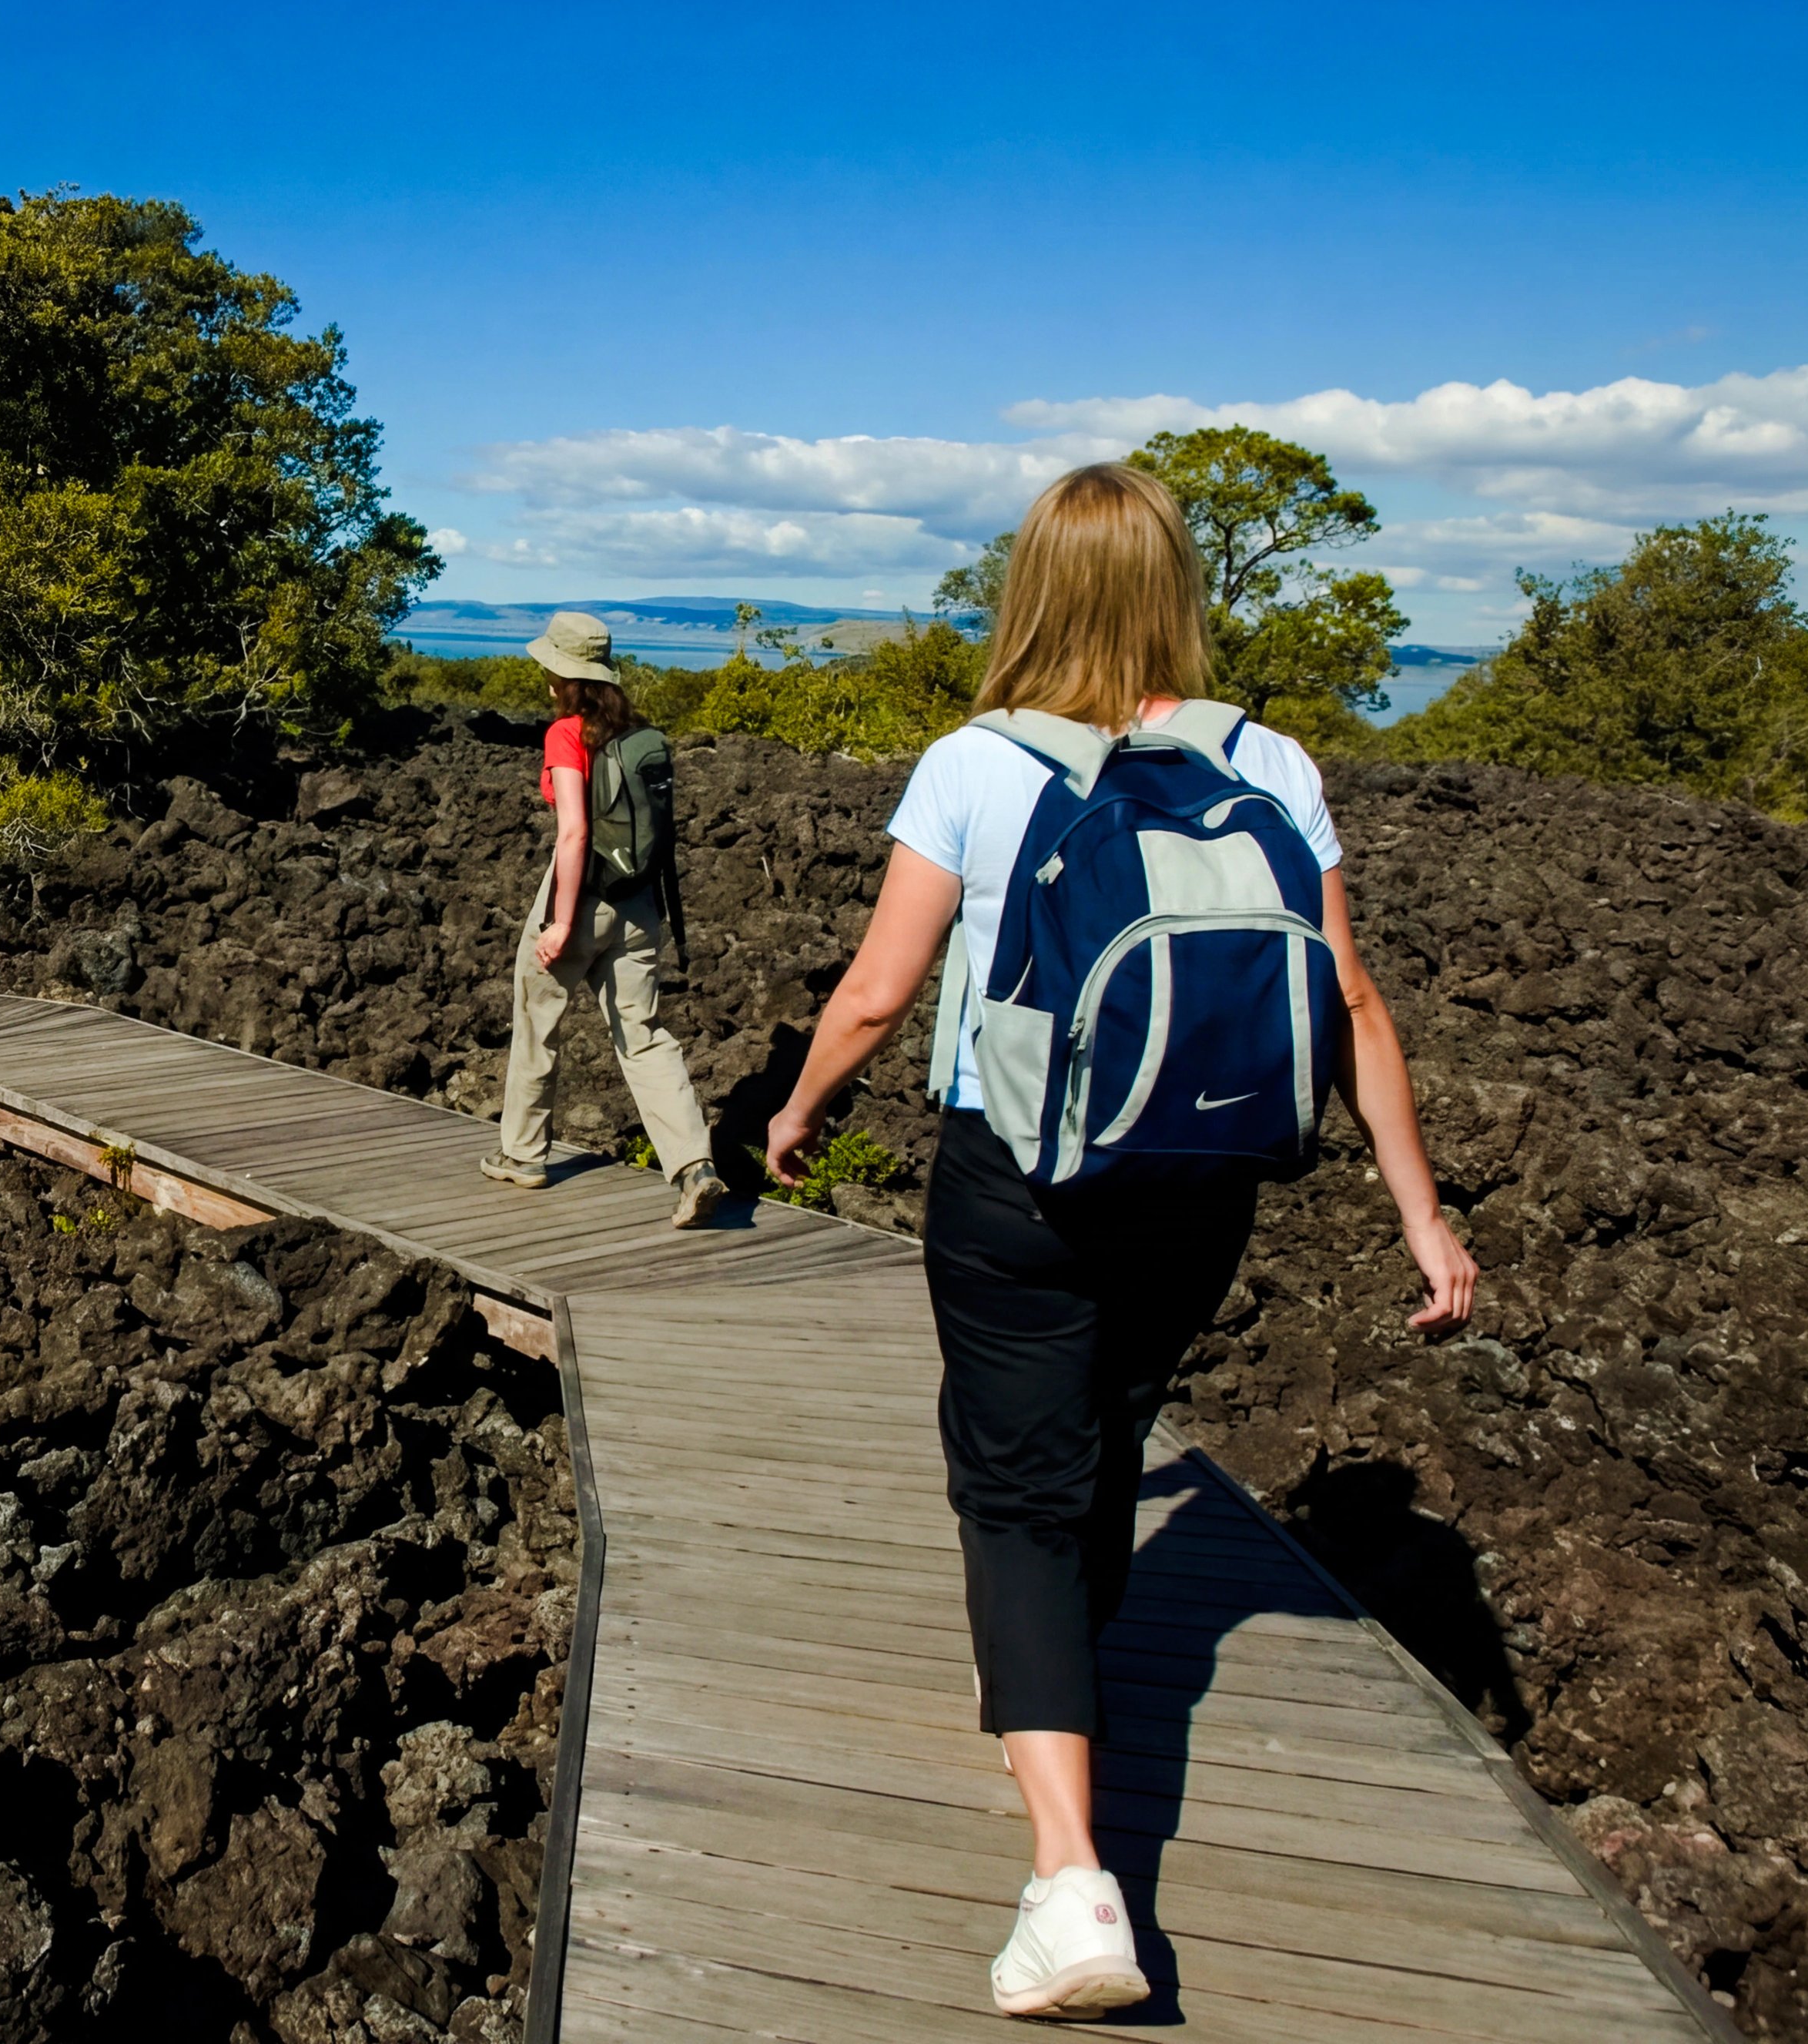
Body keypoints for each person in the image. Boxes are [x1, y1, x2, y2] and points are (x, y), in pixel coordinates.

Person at [761, 463, 1477, 2018]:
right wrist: (1421, 1213)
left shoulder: (973, 761)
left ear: (1032, 588)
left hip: (1018, 1179)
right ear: (1174, 590)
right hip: (1203, 1179)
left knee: (1017, 1491)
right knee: (1104, 1444)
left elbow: (882, 990)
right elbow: (1348, 1001)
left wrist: (801, 1108)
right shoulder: (1266, 760)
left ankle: (1071, 1885)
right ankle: (1046, 1679)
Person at [481, 611, 726, 1228]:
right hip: (641, 902)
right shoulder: (640, 735)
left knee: (539, 1021)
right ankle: (695, 1166)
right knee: (642, 1035)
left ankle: (521, 1155)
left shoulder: (568, 734)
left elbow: (573, 832)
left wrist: (560, 923)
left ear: (564, 675)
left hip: (581, 894)